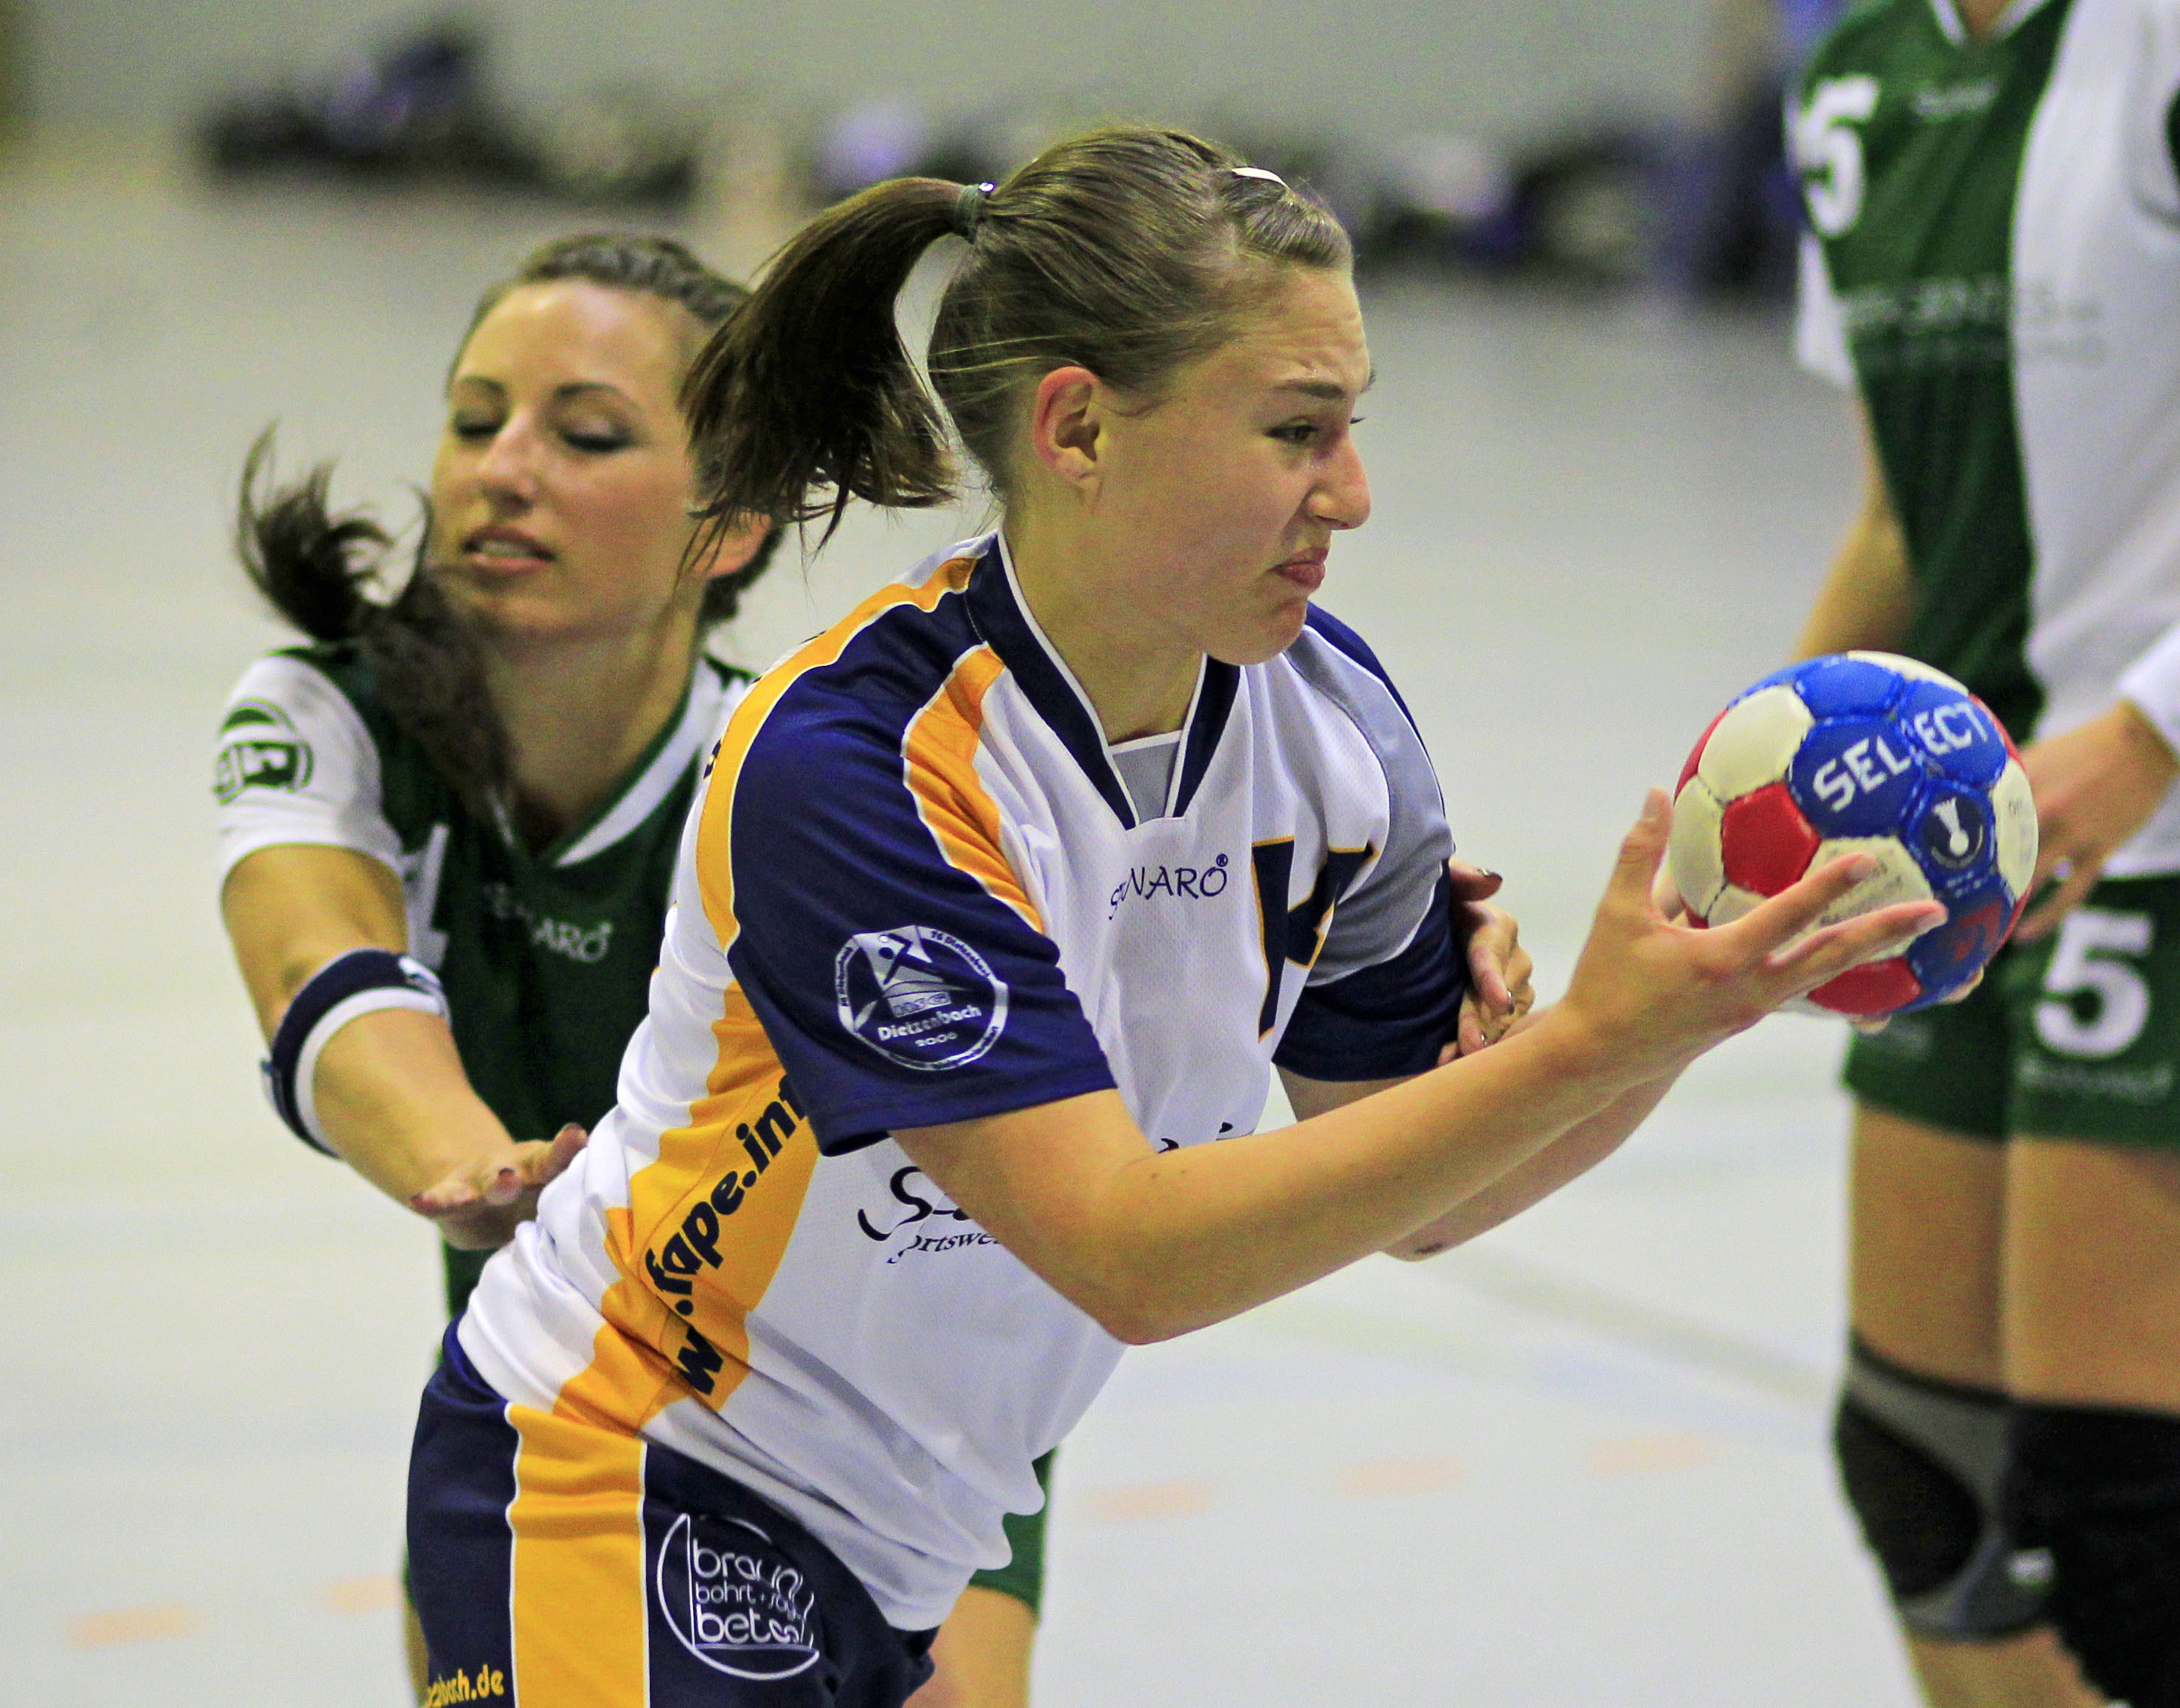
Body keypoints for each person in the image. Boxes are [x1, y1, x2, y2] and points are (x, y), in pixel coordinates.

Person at [406, 125, 1940, 1707]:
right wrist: (1593, 1044)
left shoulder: (1335, 733)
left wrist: (1699, 993)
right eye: (1295, 430)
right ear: (1078, 428)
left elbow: (1426, 1192)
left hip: (906, 1547)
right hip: (626, 1467)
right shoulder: (854, 765)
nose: (1352, 493)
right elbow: (1124, 1253)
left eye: (1351, 427)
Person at [212, 234, 784, 1694]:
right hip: (530, 1413)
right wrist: (474, 1170)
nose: (503, 469)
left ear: (729, 525)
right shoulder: (326, 716)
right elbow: (320, 973)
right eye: (476, 420)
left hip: (870, 1448)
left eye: (585, 435)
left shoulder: (795, 774)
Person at [1791, 1, 2180, 1702]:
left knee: (2124, 1529)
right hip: (1962, 847)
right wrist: (1739, 813)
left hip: (2153, 827)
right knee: (1922, 1478)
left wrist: (2148, 733)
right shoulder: (1852, 82)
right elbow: (1895, 518)